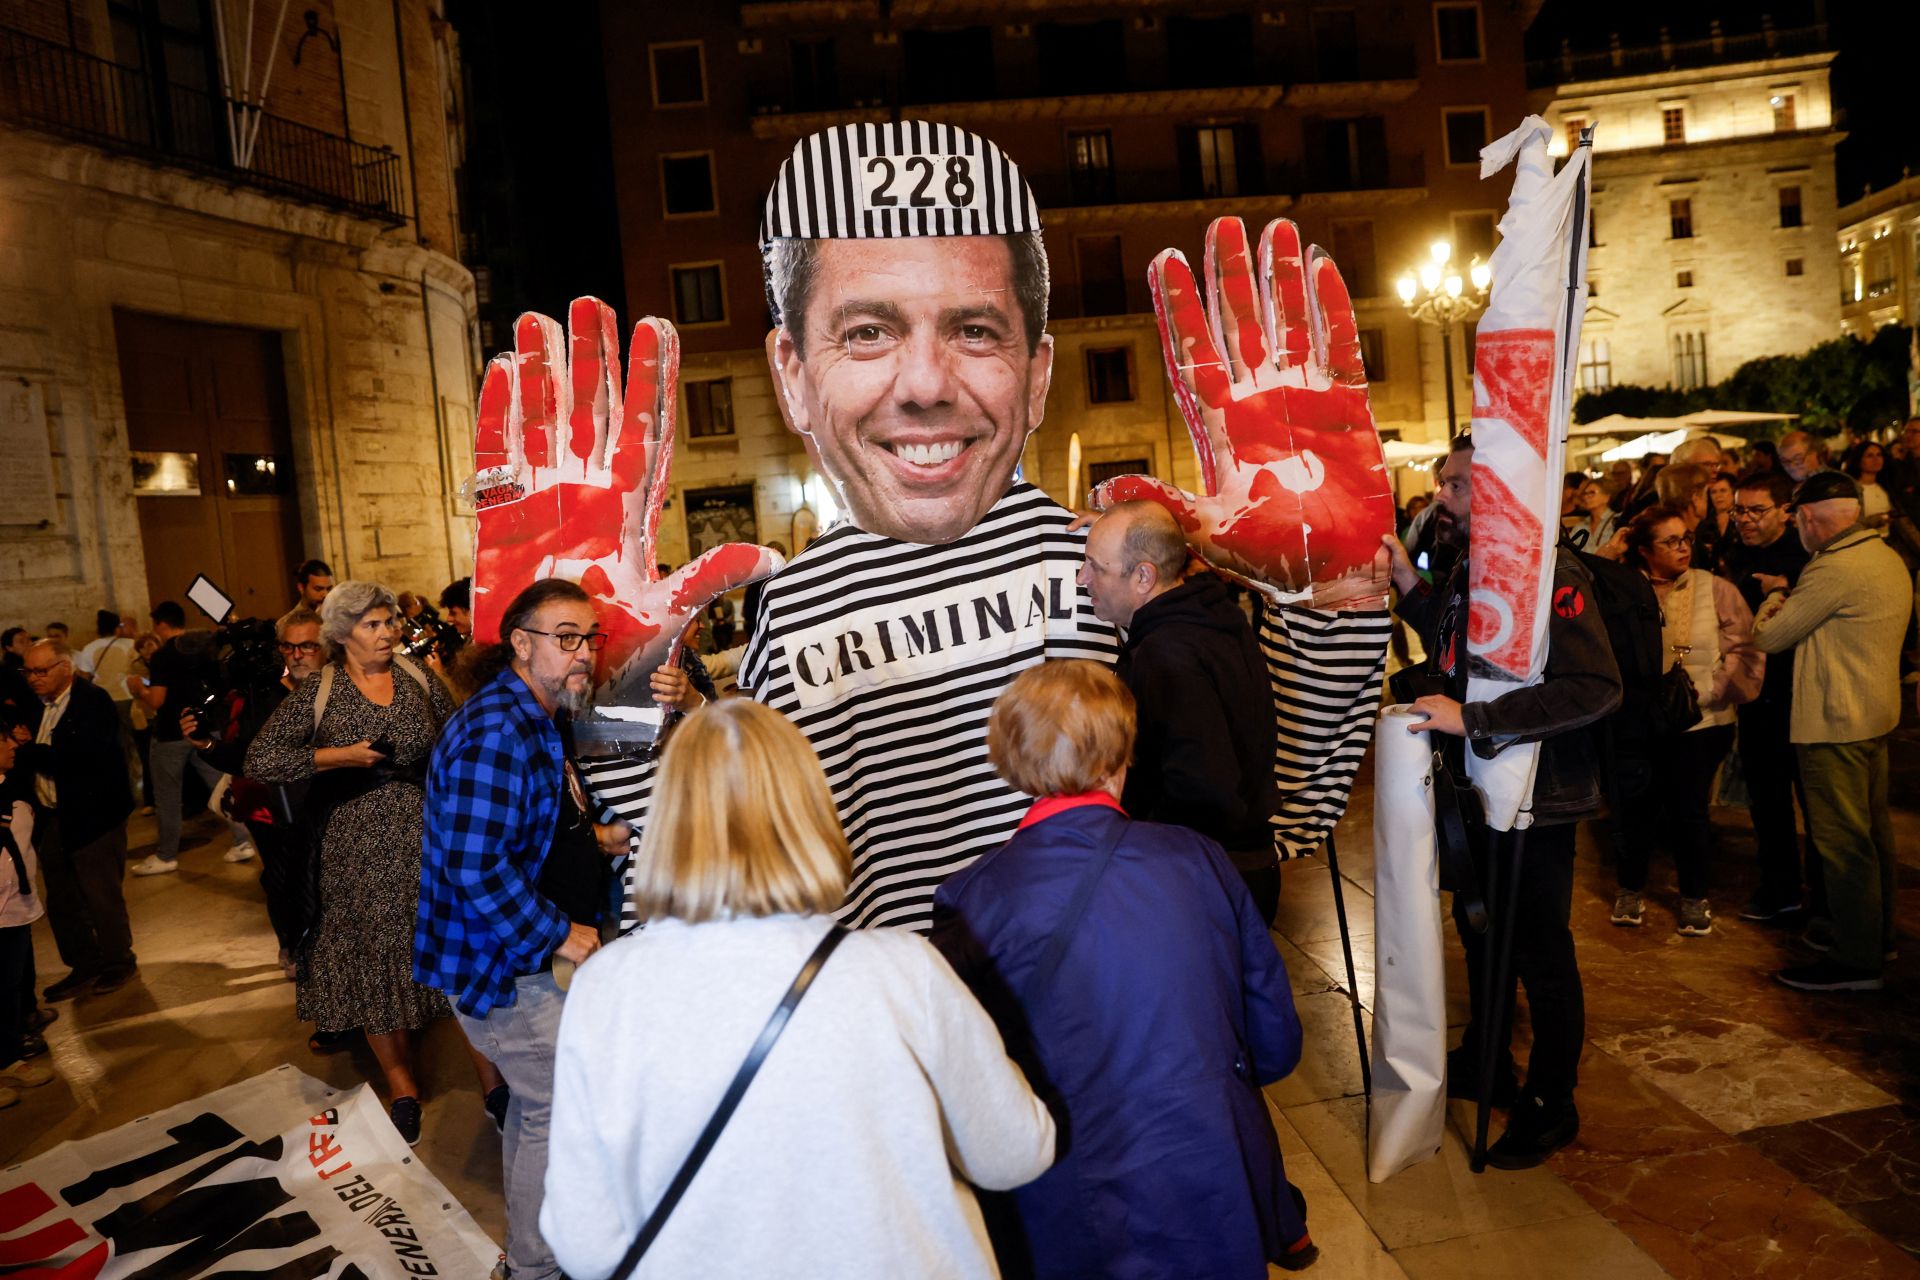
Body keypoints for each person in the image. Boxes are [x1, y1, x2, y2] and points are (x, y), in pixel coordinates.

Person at [727, 122, 1120, 932]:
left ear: (1037, 373)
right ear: (792, 375)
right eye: (867, 332)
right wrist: (609, 704)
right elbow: (724, 875)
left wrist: (1329, 603)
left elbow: (1285, 805)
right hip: (892, 1038)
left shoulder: (1101, 569)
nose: (926, 384)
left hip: (1089, 1029)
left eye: (974, 330)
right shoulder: (794, 611)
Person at [541, 697, 1055, 1280]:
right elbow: (1016, 1152)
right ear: (811, 808)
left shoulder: (606, 991)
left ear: (668, 818)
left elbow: (584, 1245)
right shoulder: (903, 970)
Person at [932, 660, 1314, 1277]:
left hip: (1066, 1199)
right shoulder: (1199, 860)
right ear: (1120, 754)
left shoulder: (972, 901)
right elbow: (1274, 1043)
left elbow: (970, 1090)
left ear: (1009, 758)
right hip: (1207, 1177)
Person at [1384, 436, 1622, 1169]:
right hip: (1481, 789)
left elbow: (1595, 687)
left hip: (1536, 799)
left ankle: (1553, 1103)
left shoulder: (1550, 568)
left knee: (1541, 952)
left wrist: (1475, 720)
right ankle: (1488, 1059)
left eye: (1456, 487)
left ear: (1495, 489)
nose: (1442, 500)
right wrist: (1407, 584)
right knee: (1482, 929)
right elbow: (1461, 646)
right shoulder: (1473, 564)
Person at [417, 579, 631, 1280]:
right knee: (549, 1112)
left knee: (542, 1110)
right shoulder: (496, 731)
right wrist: (558, 933)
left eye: (589, 638)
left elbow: (536, 828)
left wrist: (595, 840)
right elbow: (475, 866)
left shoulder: (542, 714)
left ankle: (540, 1257)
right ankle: (538, 1269)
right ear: (520, 642)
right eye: (565, 636)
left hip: (532, 958)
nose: (583, 654)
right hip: (506, 966)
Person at [245, 581, 459, 1141]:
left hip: (426, 835)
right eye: (372, 625)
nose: (387, 633)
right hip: (352, 845)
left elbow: (456, 735)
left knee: (445, 946)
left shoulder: (417, 678)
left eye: (389, 621)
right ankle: (401, 1085)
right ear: (341, 635)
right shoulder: (319, 690)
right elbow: (261, 759)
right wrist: (339, 756)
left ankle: (491, 1079)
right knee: (371, 960)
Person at [1077, 501, 1281, 922]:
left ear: (1144, 576)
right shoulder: (1212, 616)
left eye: (1094, 566)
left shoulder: (1167, 654)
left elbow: (1203, 791)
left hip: (1205, 883)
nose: (1082, 579)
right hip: (1244, 868)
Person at [1750, 473, 1910, 991]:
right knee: (1873, 834)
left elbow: (1771, 636)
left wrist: (1774, 598)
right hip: (1873, 714)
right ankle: (1876, 933)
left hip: (1833, 722)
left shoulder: (1834, 569)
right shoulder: (1882, 554)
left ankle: (1855, 959)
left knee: (1843, 842)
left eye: (1798, 516)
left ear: (1810, 517)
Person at [1606, 506, 1762, 935]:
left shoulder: (1716, 589)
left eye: (1686, 539)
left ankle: (1694, 897)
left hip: (1701, 723)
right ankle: (1630, 889)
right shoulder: (1622, 588)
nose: (1682, 547)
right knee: (1635, 809)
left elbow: (1746, 650)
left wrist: (1707, 691)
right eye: (1670, 541)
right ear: (1642, 549)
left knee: (1689, 812)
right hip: (1636, 719)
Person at [190, 607, 329, 977]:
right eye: (288, 647)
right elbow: (249, 758)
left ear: (327, 645)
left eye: (308, 646)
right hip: (274, 809)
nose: (297, 655)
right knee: (284, 881)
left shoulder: (343, 687)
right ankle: (295, 947)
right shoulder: (263, 694)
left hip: (333, 808)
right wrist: (206, 745)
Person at [13, 640, 137, 999]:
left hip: (95, 816)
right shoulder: (37, 706)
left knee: (101, 895)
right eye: (28, 671)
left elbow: (77, 760)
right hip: (55, 816)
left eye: (41, 671)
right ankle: (85, 964)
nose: (33, 679)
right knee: (62, 898)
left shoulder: (91, 703)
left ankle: (119, 961)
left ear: (65, 667)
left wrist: (29, 749)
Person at [1724, 472, 1821, 923]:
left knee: (1813, 800)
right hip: (1755, 694)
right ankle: (1779, 886)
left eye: (1754, 510)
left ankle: (1821, 894)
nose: (1744, 519)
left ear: (1785, 511)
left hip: (1799, 692)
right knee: (1767, 799)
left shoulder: (1805, 558)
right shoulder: (1736, 550)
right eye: (1738, 510)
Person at [129, 601, 255, 875]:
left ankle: (165, 855)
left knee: (168, 796)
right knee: (222, 788)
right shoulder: (204, 649)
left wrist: (138, 688)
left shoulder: (163, 655)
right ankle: (243, 840)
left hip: (171, 734)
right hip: (206, 729)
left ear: (161, 624)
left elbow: (158, 700)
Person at [0, 734, 54, 1108]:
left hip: (14, 908)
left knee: (9, 986)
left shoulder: (12, 787)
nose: (12, 744)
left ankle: (8, 1056)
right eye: (3, 739)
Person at [74, 611, 140, 795]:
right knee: (136, 742)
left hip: (103, 702)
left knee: (117, 745)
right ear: (116, 626)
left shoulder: (88, 648)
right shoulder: (131, 645)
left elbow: (85, 677)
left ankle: (127, 785)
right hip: (128, 697)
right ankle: (140, 780)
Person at [1841, 440, 1892, 536]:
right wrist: (1871, 522)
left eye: (1879, 455)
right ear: (1858, 461)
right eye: (1869, 456)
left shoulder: (1884, 487)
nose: (1876, 459)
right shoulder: (1851, 490)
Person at [1560, 475, 1617, 552]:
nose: (1586, 497)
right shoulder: (1581, 525)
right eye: (1585, 493)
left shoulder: (1617, 521)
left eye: (1592, 493)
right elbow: (1569, 551)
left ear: (1606, 497)